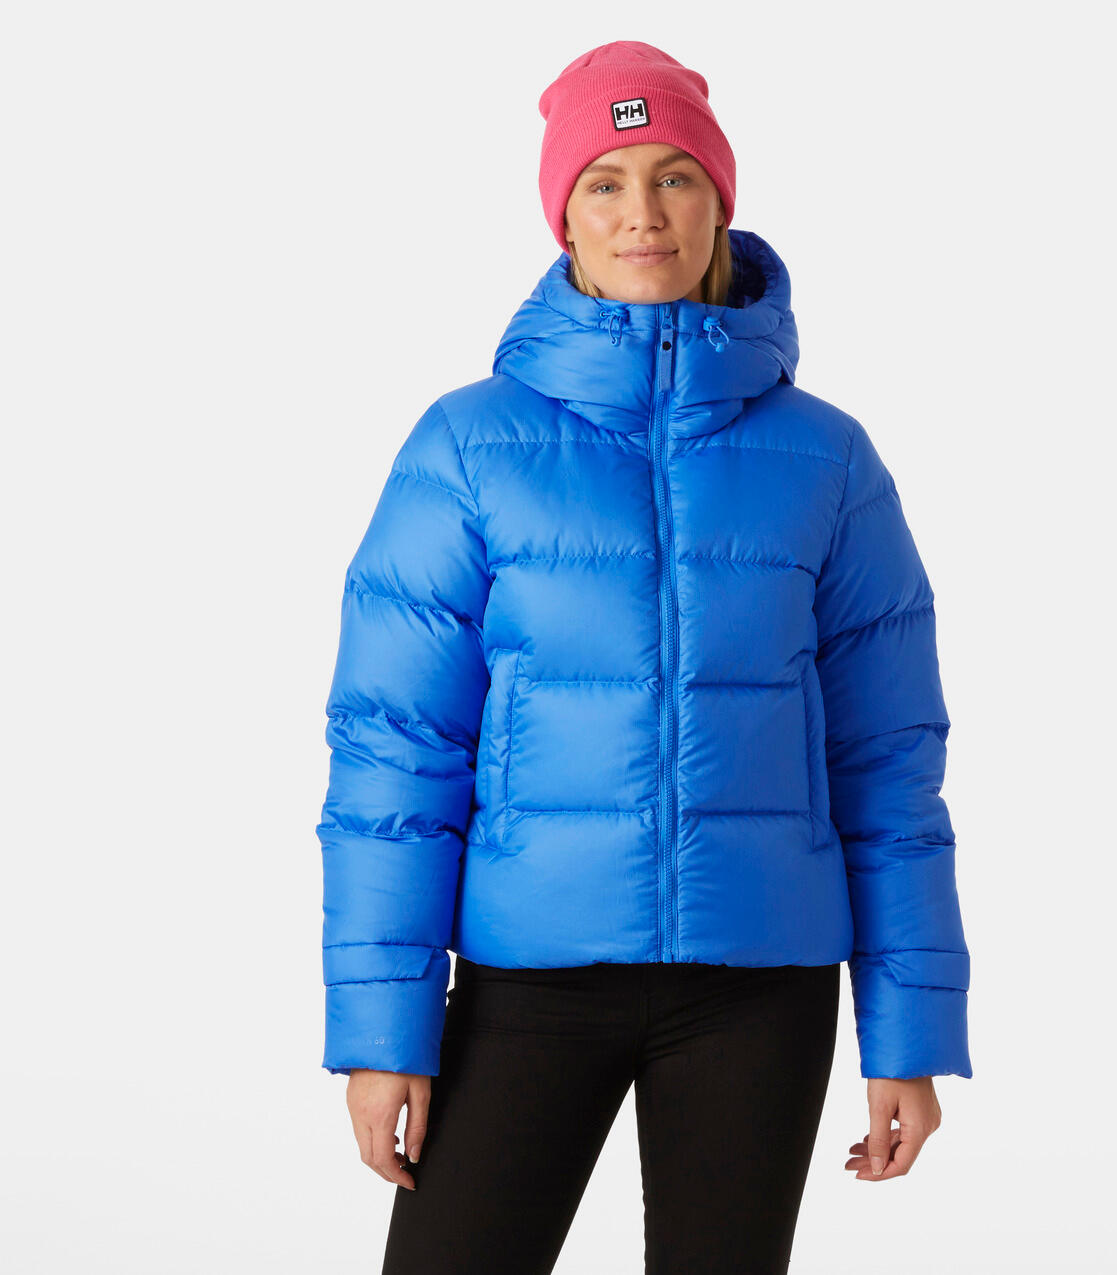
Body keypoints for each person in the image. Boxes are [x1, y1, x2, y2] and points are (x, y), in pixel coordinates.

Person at [315, 40, 972, 1275]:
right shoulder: (467, 446)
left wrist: (911, 1028)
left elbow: (888, 760)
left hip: (761, 987)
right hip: (526, 982)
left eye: (675, 177)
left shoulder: (827, 458)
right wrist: (381, 1029)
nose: (642, 214)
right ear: (562, 214)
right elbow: (395, 754)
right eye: (605, 182)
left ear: (720, 202)